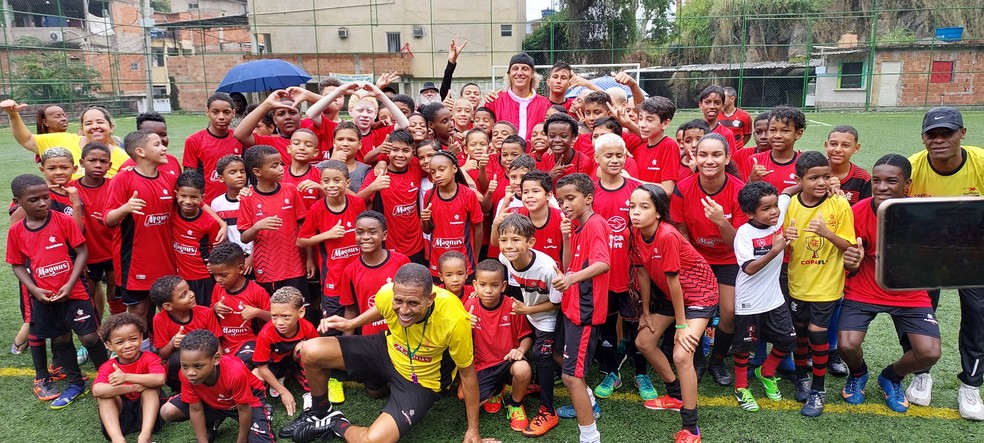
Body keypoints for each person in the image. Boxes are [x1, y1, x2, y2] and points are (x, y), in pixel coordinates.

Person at [283, 263, 486, 443]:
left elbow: (467, 374)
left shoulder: (455, 319)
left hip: (421, 381)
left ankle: (335, 423)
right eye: (399, 301)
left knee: (374, 440)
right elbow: (382, 307)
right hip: (386, 350)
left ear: (430, 298)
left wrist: (473, 430)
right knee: (310, 350)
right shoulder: (388, 293)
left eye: (413, 303)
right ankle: (320, 411)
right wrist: (353, 322)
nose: (404, 311)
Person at [838, 153, 942, 414]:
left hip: (909, 293)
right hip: (864, 288)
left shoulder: (921, 215)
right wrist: (850, 259)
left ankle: (891, 376)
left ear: (907, 185)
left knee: (929, 352)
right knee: (847, 345)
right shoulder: (857, 211)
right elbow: (846, 258)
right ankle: (858, 373)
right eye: (876, 180)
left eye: (891, 181)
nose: (881, 187)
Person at [906, 106, 984, 420]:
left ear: (962, 134)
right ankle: (921, 373)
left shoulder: (979, 162)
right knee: (919, 310)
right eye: (932, 135)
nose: (939, 140)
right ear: (924, 137)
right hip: (927, 252)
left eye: (947, 133)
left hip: (973, 252)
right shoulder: (912, 167)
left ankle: (971, 383)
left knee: (978, 312)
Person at [7, 173, 109, 409]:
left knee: (90, 336)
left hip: (74, 292)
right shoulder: (17, 232)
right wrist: (34, 289)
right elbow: (17, 264)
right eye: (34, 200)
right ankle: (76, 383)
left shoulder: (63, 221)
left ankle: (106, 376)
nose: (43, 203)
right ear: (18, 202)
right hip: (44, 297)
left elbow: (82, 252)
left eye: (46, 197)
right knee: (61, 340)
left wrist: (70, 283)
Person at [629, 184, 718, 443]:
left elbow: (674, 282)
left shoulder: (667, 234)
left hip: (700, 294)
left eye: (644, 207)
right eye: (632, 206)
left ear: (658, 212)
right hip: (672, 294)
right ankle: (675, 394)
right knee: (643, 342)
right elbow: (643, 272)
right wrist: (645, 311)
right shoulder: (636, 232)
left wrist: (681, 326)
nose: (636, 212)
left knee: (681, 355)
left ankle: (691, 428)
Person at [670, 133, 749, 388]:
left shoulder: (739, 190)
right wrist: (694, 263)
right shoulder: (684, 188)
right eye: (703, 154)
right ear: (695, 156)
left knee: (728, 312)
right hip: (695, 258)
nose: (709, 160)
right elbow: (680, 230)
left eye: (716, 154)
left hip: (728, 258)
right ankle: (698, 357)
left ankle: (717, 360)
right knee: (695, 311)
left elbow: (737, 243)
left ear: (727, 158)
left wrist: (721, 221)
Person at [783, 151, 856, 417]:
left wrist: (827, 233)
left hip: (827, 285)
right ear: (800, 179)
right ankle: (801, 377)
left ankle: (818, 389)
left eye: (827, 176)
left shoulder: (839, 204)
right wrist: (786, 237)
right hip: (798, 282)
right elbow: (780, 239)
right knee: (800, 332)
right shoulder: (790, 204)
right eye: (814, 178)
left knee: (817, 333)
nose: (822, 182)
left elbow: (848, 244)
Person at [589, 134, 649, 400]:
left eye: (619, 155)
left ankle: (641, 373)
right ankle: (612, 371)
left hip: (632, 273)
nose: (614, 160)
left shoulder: (638, 189)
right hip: (602, 274)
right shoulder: (589, 191)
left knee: (637, 325)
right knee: (607, 325)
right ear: (597, 158)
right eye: (608, 155)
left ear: (626, 157)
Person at [551, 173, 610, 443]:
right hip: (571, 307)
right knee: (561, 360)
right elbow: (568, 266)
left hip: (584, 312)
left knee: (571, 377)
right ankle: (590, 404)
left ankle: (590, 437)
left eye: (570, 198)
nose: (564, 204)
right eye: (561, 199)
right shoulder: (577, 226)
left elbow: (603, 264)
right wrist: (566, 240)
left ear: (588, 198)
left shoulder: (596, 224)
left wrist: (571, 279)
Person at [731, 181, 796, 412]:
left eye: (775, 205)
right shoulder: (744, 234)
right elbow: (748, 268)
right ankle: (741, 387)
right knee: (744, 348)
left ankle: (766, 371)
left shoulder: (777, 218)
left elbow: (789, 192)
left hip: (774, 299)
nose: (774, 211)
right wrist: (776, 250)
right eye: (766, 208)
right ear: (750, 212)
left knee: (787, 340)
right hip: (749, 302)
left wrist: (829, 186)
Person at [104, 129, 178, 332]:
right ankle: (139, 357)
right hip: (135, 264)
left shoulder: (169, 178)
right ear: (140, 151)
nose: (164, 147)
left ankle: (159, 354)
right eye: (156, 144)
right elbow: (108, 219)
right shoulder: (122, 180)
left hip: (166, 261)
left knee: (165, 312)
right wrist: (125, 208)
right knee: (139, 313)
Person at [496, 214, 563, 437]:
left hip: (548, 317)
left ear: (530, 243)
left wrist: (528, 310)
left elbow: (555, 304)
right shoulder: (505, 259)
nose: (508, 245)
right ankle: (533, 382)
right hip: (529, 313)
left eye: (516, 239)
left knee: (542, 356)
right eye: (504, 239)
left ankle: (548, 411)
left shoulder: (547, 268)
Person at [159, 329, 275, 443]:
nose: (190, 372)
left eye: (198, 366)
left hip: (248, 402)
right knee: (167, 411)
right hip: (213, 401)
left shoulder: (235, 373)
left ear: (216, 359)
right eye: (184, 366)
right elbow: (195, 409)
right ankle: (214, 419)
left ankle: (263, 412)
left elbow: (244, 409)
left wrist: (242, 439)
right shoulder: (187, 375)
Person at [464, 259, 533, 431]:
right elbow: (459, 341)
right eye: (482, 285)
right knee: (464, 398)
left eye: (494, 285)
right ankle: (497, 390)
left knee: (523, 369)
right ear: (475, 285)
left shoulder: (512, 306)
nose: (488, 290)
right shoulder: (470, 305)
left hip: (507, 362)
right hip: (482, 365)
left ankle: (516, 404)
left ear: (503, 286)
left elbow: (528, 336)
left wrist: (520, 350)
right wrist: (464, 327)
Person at [298, 160, 366, 332]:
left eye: (337, 180)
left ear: (347, 182)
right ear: (320, 183)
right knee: (332, 328)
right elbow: (301, 240)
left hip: (358, 274)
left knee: (359, 325)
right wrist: (327, 235)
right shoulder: (317, 209)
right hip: (333, 277)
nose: (331, 185)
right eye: (326, 181)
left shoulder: (357, 204)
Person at [238, 145, 311, 297]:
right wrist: (257, 226)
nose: (281, 169)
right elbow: (244, 237)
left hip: (295, 266)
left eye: (281, 164)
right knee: (275, 313)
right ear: (257, 171)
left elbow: (303, 228)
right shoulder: (248, 198)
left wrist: (310, 258)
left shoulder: (290, 189)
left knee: (300, 311)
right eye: (274, 166)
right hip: (267, 269)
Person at [2, 101, 130, 178]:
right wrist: (13, 114)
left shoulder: (124, 158)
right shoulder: (63, 140)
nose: (94, 126)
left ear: (111, 127)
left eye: (100, 122)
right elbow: (27, 139)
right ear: (83, 128)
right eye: (88, 123)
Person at [93, 313, 165, 443]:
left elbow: (160, 379)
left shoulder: (150, 357)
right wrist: (134, 387)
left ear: (141, 337)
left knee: (150, 389)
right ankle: (118, 439)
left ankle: (145, 436)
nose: (128, 345)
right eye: (120, 342)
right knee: (105, 397)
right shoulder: (108, 366)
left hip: (147, 414)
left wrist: (126, 377)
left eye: (133, 339)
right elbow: (97, 390)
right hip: (121, 416)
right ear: (109, 345)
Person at [357, 130, 427, 264]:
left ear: (413, 153)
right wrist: (373, 187)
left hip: (417, 245)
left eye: (405, 150)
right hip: (390, 248)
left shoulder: (415, 166)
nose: (400, 155)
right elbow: (356, 201)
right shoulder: (378, 174)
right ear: (388, 151)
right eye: (395, 150)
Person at [70, 142, 123, 319]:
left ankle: (116, 333)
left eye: (103, 161)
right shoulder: (71, 189)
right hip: (87, 255)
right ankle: (96, 334)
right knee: (88, 298)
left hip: (114, 252)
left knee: (116, 297)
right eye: (92, 160)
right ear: (82, 162)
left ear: (110, 164)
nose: (98, 165)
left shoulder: (115, 185)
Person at [339, 210, 412, 339]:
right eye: (360, 232)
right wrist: (347, 342)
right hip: (370, 340)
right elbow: (350, 310)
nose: (365, 237)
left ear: (384, 235)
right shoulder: (350, 271)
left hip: (402, 336)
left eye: (372, 232)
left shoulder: (401, 262)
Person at [253, 287, 321, 418]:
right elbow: (262, 367)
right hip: (275, 364)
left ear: (300, 312)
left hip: (295, 359)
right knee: (255, 378)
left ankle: (309, 391)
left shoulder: (307, 327)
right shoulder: (266, 333)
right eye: (274, 316)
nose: (279, 322)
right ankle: (282, 377)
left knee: (308, 348)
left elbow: (318, 353)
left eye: (285, 316)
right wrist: (283, 392)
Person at [149, 275, 223, 392]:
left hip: (207, 361)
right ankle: (182, 390)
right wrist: (172, 343)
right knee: (175, 359)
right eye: (183, 295)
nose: (192, 294)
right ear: (168, 306)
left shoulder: (205, 313)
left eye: (189, 289)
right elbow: (162, 354)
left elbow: (217, 343)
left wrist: (220, 366)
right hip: (181, 365)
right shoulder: (159, 319)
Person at [422, 151, 484, 277]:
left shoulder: (468, 195)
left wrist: (474, 259)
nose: (437, 175)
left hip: (464, 262)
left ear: (454, 168)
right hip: (438, 263)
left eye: (442, 170)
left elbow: (478, 229)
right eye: (433, 172)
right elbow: (427, 230)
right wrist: (424, 219)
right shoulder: (429, 195)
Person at [207, 242, 270, 359]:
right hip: (225, 344)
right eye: (214, 275)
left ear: (241, 269)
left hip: (250, 342)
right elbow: (209, 316)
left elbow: (274, 319)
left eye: (223, 275)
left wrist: (257, 312)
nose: (218, 280)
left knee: (244, 360)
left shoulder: (257, 291)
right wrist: (215, 308)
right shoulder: (218, 288)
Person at [172, 171, 222, 306]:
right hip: (180, 277)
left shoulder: (209, 222)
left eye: (194, 197)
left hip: (203, 277)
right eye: (183, 196)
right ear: (176, 194)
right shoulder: (172, 211)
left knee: (204, 311)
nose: (187, 201)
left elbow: (216, 248)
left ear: (202, 198)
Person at [183, 93, 244, 202]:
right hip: (209, 204)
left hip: (238, 202)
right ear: (207, 112)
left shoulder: (239, 137)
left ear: (233, 113)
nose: (221, 117)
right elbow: (190, 179)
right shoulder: (194, 140)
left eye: (226, 112)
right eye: (215, 112)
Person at [485, 53, 552, 139]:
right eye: (515, 69)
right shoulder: (495, 101)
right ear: (509, 74)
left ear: (532, 74)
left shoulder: (545, 104)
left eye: (525, 69)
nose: (519, 73)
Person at [746, 105, 804, 192]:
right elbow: (743, 197)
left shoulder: (804, 163)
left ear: (798, 134)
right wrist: (751, 180)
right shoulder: (755, 161)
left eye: (785, 131)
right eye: (773, 130)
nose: (777, 136)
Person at [210, 154, 253, 269]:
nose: (239, 175)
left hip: (255, 256)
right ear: (220, 178)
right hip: (233, 259)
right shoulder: (217, 204)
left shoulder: (254, 197)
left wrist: (252, 257)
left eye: (242, 171)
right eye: (233, 172)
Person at [633, 96, 680, 193]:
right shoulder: (639, 148)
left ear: (665, 123)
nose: (642, 124)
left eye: (649, 120)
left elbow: (668, 189)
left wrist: (630, 181)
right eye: (641, 118)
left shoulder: (669, 145)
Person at [537, 113, 595, 185]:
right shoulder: (546, 157)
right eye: (552, 136)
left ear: (573, 137)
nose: (557, 140)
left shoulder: (584, 162)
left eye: (563, 136)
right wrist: (550, 176)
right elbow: (542, 188)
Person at [825, 125, 871, 206]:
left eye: (845, 145)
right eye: (833, 144)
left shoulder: (863, 178)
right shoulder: (813, 172)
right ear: (826, 145)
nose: (838, 150)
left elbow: (864, 211)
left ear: (856, 148)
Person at [696, 86, 739, 154]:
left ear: (723, 106)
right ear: (700, 105)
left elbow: (732, 159)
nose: (712, 106)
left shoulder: (727, 134)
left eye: (717, 103)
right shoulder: (693, 131)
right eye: (707, 102)